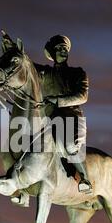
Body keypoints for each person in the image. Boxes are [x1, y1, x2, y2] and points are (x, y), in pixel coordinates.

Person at [36, 34, 92, 194]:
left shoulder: (78, 73)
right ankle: (23, 189)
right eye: (59, 48)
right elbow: (25, 65)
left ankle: (84, 179)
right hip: (47, 120)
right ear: (52, 53)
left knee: (69, 146)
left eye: (65, 49)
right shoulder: (45, 73)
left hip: (71, 119)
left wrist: (56, 100)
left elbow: (82, 96)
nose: (63, 51)